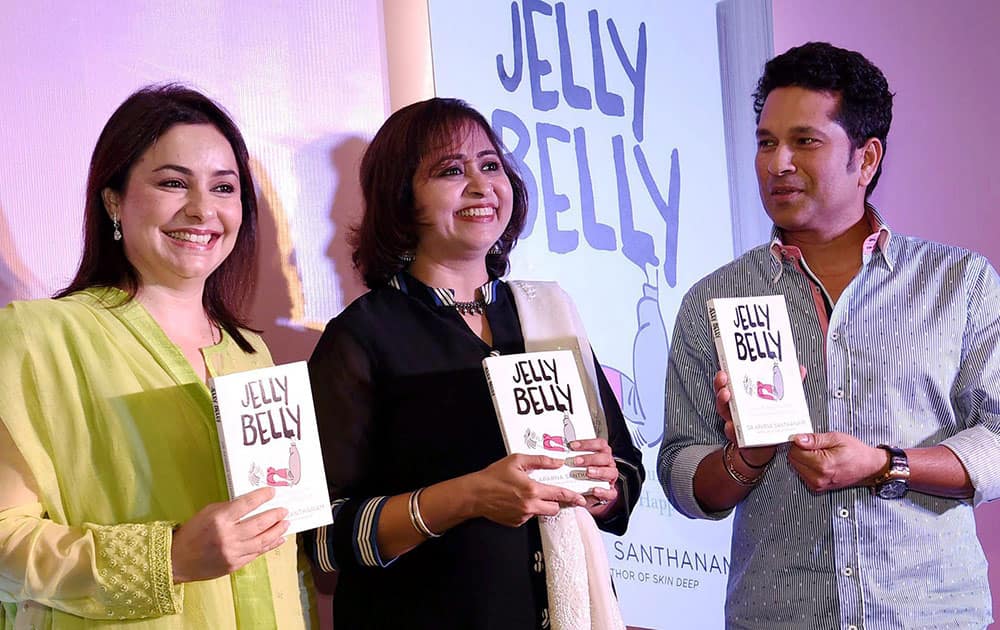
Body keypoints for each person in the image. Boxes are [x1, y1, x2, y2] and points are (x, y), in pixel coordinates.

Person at [659, 41, 1000, 629]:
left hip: (929, 616)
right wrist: (746, 457)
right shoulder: (714, 299)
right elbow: (682, 474)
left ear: (866, 159)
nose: (777, 163)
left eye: (804, 141)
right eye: (766, 142)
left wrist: (885, 464)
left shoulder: (958, 283)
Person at [304, 97, 644, 629]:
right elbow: (323, 539)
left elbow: (624, 472)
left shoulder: (546, 314)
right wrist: (467, 497)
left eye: (490, 165)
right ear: (401, 197)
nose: (481, 184)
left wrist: (599, 486)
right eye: (450, 171)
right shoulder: (362, 336)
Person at [0, 85, 312, 628]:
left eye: (224, 188)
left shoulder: (250, 352)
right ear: (113, 199)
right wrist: (167, 559)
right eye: (173, 183)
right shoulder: (39, 337)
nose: (202, 210)